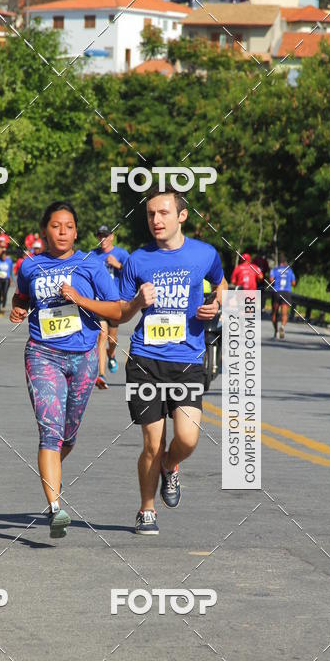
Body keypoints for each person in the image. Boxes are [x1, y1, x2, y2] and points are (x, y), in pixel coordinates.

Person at [118, 186, 227, 535]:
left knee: (188, 438)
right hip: (145, 361)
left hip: (187, 361)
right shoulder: (137, 259)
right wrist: (137, 301)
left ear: (181, 215)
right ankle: (146, 510)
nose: (156, 220)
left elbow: (220, 283)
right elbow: (121, 312)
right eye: (150, 214)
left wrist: (217, 305)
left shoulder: (205, 254)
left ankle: (171, 464)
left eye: (163, 213)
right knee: (151, 442)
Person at [10, 201, 121, 538]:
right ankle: (55, 508)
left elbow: (115, 309)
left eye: (69, 226)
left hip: (84, 357)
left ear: (76, 231)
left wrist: (79, 299)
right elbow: (23, 298)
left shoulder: (91, 265)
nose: (62, 232)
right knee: (50, 432)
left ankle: (53, 470)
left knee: (67, 436)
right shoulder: (30, 266)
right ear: (45, 229)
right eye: (56, 225)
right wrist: (18, 310)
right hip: (42, 354)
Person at [92, 224, 130, 389]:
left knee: (112, 339)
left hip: (116, 303)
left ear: (112, 237)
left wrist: (118, 265)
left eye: (105, 236)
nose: (103, 240)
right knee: (102, 335)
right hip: (100, 302)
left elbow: (132, 274)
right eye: (100, 236)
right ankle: (101, 375)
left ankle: (111, 353)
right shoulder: (93, 256)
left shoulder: (121, 254)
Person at [270, 255, 296, 340]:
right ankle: (282, 326)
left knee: (274, 313)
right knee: (284, 313)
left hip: (276, 292)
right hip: (286, 293)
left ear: (279, 262)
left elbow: (271, 280)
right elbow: (293, 283)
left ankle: (276, 331)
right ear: (285, 262)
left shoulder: (274, 270)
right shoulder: (290, 270)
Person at [0, 248, 13, 315]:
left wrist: (11, 278)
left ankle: (3, 307)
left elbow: (11, 271)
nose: (4, 258)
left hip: (6, 279)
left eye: (5, 256)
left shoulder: (9, 261)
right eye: (2, 256)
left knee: (4, 293)